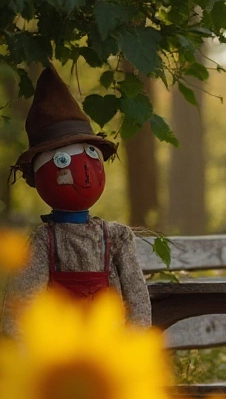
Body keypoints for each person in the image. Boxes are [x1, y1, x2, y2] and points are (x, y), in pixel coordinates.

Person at [2, 67, 150, 336]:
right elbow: (21, 303)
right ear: (39, 176)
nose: (84, 170)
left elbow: (136, 293)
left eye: (92, 156)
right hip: (58, 346)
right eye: (62, 160)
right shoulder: (44, 241)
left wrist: (135, 341)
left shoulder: (116, 238)